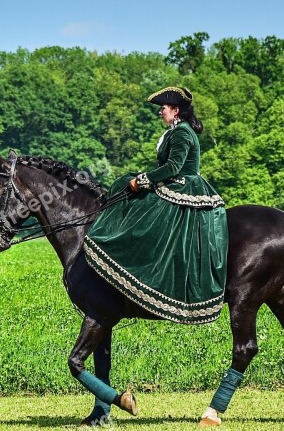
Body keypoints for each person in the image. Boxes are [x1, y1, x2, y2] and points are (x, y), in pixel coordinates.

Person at [83, 87, 228, 324]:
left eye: (163, 108)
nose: (160, 112)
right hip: (176, 182)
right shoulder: (177, 131)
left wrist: (144, 180)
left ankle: (141, 266)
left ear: (176, 110)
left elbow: (173, 167)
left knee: (144, 209)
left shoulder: (182, 133)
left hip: (185, 186)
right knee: (123, 182)